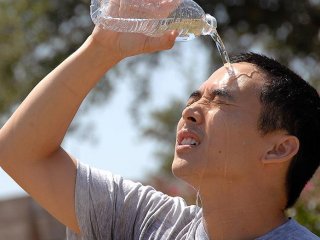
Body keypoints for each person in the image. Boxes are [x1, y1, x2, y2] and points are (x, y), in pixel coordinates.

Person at [0, 14, 319, 240]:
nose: (191, 110)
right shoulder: (147, 222)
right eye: (194, 98)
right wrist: (103, 47)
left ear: (279, 148)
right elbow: (20, 153)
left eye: (220, 101)